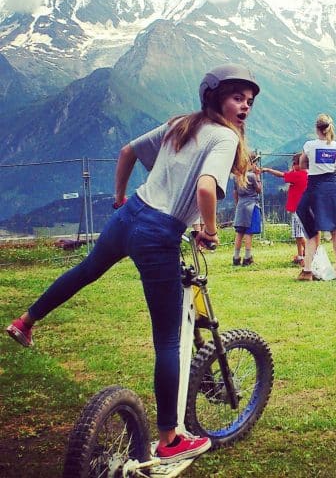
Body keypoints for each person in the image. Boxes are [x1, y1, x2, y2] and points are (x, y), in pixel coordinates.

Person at [6, 63, 260, 463]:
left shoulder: (181, 124)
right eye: (236, 98)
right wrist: (210, 231)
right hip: (158, 234)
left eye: (248, 101)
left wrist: (120, 198)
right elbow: (206, 186)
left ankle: (26, 321)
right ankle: (170, 438)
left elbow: (127, 152)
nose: (244, 106)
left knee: (85, 271)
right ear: (215, 98)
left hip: (130, 214)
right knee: (167, 339)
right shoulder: (225, 138)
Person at [295, 113, 336, 281]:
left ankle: (307, 271)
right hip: (332, 186)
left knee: (313, 231)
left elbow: (301, 163)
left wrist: (310, 170)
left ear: (316, 128)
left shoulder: (309, 145)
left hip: (315, 187)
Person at [261, 153, 308, 265]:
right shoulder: (304, 173)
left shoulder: (298, 175)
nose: (292, 165)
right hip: (301, 207)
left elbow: (282, 175)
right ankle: (300, 255)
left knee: (299, 235)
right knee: (298, 234)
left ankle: (311, 253)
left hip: (298, 209)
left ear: (300, 164)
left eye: (294, 163)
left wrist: (267, 169)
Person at [232, 154, 262, 266]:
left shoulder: (237, 176)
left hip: (241, 205)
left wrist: (238, 204)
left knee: (239, 232)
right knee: (249, 232)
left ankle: (236, 257)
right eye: (255, 163)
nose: (256, 165)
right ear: (250, 163)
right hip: (251, 206)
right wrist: (258, 176)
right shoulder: (252, 176)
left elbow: (235, 192)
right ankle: (247, 257)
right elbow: (259, 190)